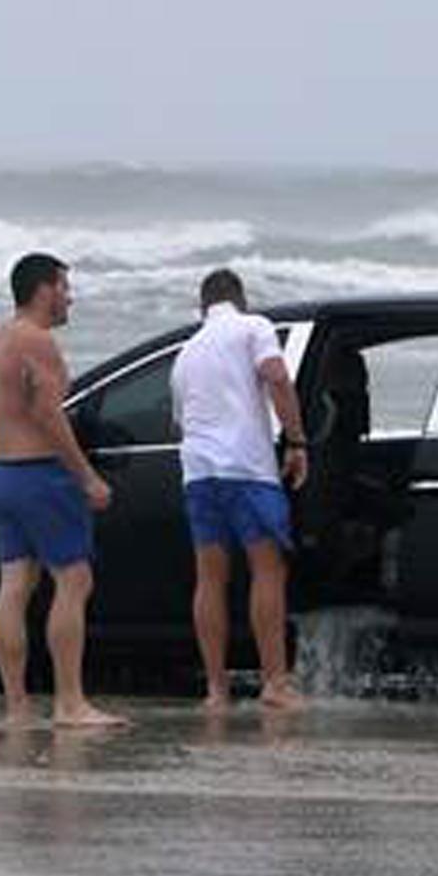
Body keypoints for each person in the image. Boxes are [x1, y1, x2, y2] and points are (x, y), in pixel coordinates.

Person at [0, 252, 122, 727]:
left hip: (3, 474)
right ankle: (70, 703)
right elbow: (48, 415)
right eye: (65, 288)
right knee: (74, 581)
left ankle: (17, 707)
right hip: (40, 474)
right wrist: (86, 477)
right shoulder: (37, 342)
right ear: (43, 290)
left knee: (15, 585)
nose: (70, 298)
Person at [169, 268, 309, 710]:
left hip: (198, 473)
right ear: (241, 298)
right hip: (246, 468)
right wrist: (297, 440)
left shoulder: (186, 353)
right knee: (267, 570)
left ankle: (216, 689)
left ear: (203, 305)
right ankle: (275, 685)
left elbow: (178, 421)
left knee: (209, 578)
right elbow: (277, 377)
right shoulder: (255, 327)